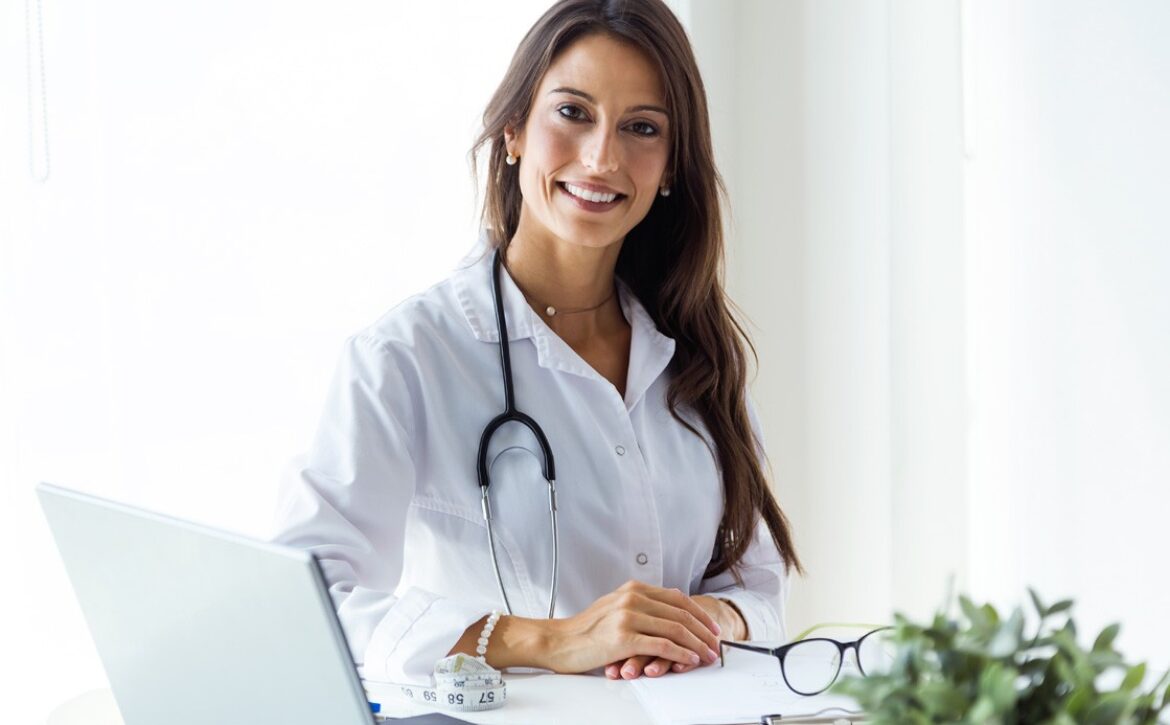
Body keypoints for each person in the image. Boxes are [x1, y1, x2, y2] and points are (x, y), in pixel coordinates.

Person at [273, 0, 802, 686]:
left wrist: (702, 622)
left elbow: (759, 589)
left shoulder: (695, 354)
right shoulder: (407, 357)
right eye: (573, 113)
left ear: (670, 167)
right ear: (515, 129)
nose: (603, 156)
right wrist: (546, 639)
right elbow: (306, 600)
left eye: (642, 128)